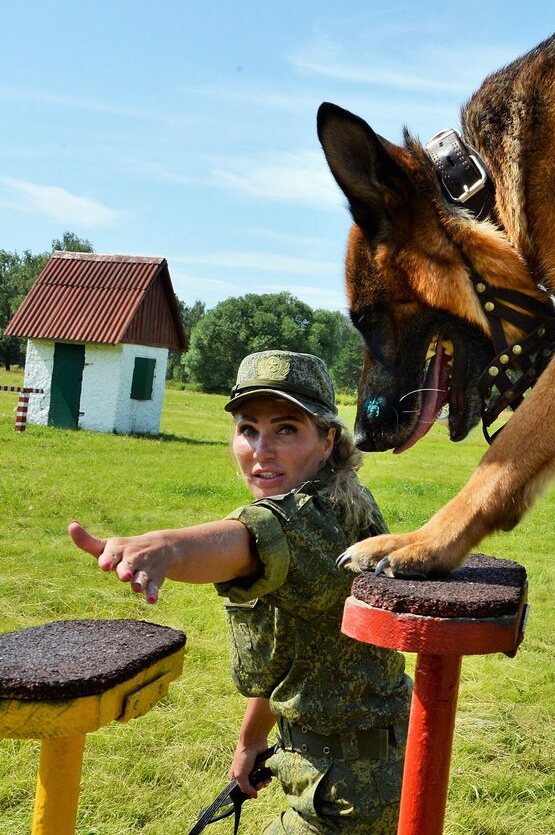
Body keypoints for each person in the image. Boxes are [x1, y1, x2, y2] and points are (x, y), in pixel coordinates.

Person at [70, 350, 412, 833]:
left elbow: (248, 539)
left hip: (346, 794)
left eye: (286, 429)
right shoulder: (345, 496)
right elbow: (291, 651)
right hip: (356, 765)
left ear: (327, 438)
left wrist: (164, 547)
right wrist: (250, 742)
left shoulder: (309, 521)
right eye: (248, 429)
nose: (261, 450)